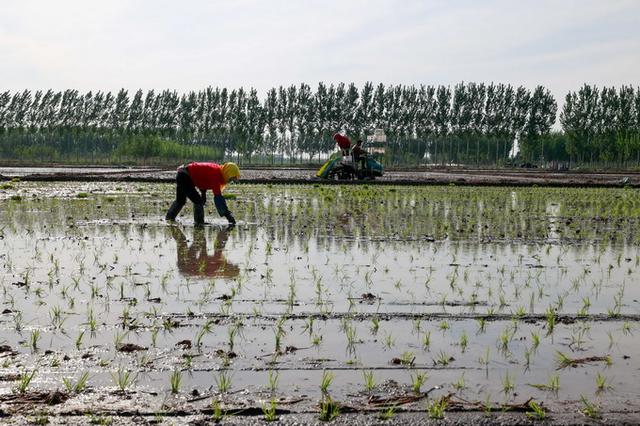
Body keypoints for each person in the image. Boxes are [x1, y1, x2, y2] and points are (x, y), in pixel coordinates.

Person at [165, 162, 240, 226]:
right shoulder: (216, 174)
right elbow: (218, 198)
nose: (230, 181)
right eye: (231, 178)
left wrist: (203, 194)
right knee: (198, 201)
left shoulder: (218, 171)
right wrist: (228, 215)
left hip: (182, 174)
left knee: (180, 200)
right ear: (227, 173)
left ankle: (169, 218)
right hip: (185, 177)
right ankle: (199, 223)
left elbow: (202, 179)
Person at [170, 226, 240, 279]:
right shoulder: (219, 267)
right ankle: (173, 226)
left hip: (185, 267)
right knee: (190, 241)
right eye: (233, 265)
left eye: (233, 266)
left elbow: (205, 255)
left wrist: (225, 233)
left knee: (184, 241)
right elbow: (218, 246)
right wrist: (225, 232)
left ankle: (172, 226)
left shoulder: (218, 266)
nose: (232, 263)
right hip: (187, 267)